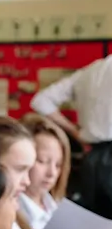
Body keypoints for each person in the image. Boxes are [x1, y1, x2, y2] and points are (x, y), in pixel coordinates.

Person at [19, 114, 112, 229]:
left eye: (58, 164)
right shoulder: (10, 211)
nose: (52, 173)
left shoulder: (56, 204)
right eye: (41, 161)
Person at [30, 56, 112, 219]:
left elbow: (41, 101)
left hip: (90, 158)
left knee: (94, 222)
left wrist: (74, 131)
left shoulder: (89, 72)